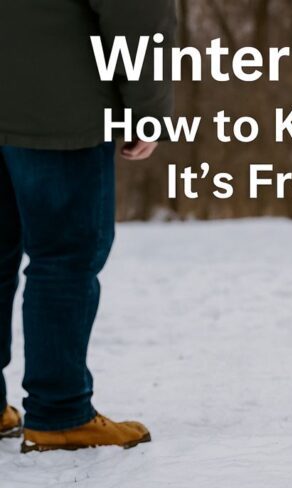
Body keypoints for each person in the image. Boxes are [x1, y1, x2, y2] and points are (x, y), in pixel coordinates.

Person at [0, 1, 176, 452]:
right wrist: (146, 110)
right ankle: (60, 413)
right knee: (65, 255)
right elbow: (138, 13)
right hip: (56, 104)